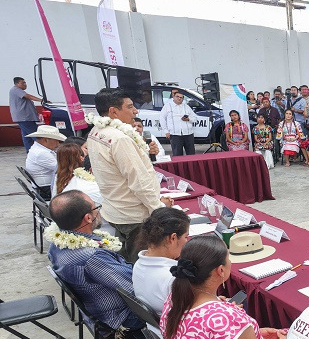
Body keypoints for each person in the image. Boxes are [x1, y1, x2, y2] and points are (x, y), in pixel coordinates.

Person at [46, 191, 145, 339]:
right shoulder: (92, 257)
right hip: (122, 317)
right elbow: (136, 288)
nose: (99, 211)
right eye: (96, 208)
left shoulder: (56, 245)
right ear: (88, 218)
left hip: (96, 310)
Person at [86, 88, 172, 263]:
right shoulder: (119, 138)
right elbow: (139, 182)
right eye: (130, 107)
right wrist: (159, 210)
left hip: (116, 209)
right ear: (113, 111)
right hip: (134, 215)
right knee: (143, 264)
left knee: (128, 259)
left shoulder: (95, 131)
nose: (136, 111)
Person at [132, 207, 190, 316]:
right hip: (173, 329)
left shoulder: (138, 264)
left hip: (154, 328)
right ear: (172, 238)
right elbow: (191, 316)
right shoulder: (173, 278)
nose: (186, 241)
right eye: (185, 237)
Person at [24, 124, 65, 199]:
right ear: (46, 140)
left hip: (44, 186)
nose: (58, 144)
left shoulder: (39, 149)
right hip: (46, 188)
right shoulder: (41, 153)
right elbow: (63, 167)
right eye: (56, 141)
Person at [159, 89, 199, 156]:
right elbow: (162, 119)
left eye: (181, 97)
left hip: (188, 134)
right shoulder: (167, 106)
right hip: (175, 134)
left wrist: (188, 119)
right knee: (177, 155)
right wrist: (166, 131)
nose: (179, 98)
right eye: (177, 96)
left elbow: (195, 118)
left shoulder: (186, 107)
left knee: (191, 154)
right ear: (173, 97)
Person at [9, 76, 42, 152]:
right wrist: (42, 100)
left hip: (24, 117)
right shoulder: (15, 90)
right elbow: (28, 96)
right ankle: (44, 149)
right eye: (22, 83)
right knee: (35, 134)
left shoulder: (17, 90)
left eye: (25, 82)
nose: (25, 84)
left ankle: (29, 151)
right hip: (24, 117)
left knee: (27, 136)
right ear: (16, 83)